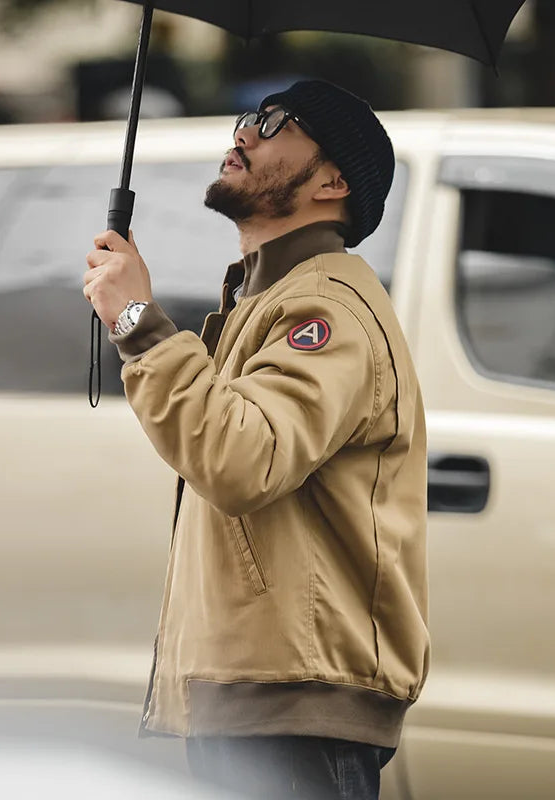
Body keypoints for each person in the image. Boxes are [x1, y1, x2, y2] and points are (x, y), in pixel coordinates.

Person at [83, 79, 429, 800]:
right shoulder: (262, 297)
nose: (244, 133)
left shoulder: (324, 310)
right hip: (257, 694)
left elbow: (241, 460)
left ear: (333, 181)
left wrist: (138, 322)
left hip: (295, 702)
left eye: (277, 122)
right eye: (248, 117)